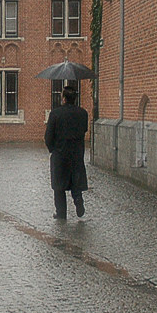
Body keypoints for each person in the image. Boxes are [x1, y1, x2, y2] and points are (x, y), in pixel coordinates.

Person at [44, 85, 89, 219]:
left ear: (63, 98)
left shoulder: (55, 114)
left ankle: (61, 212)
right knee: (75, 180)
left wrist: (53, 149)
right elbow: (84, 130)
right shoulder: (83, 113)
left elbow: (48, 137)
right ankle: (78, 201)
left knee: (59, 185)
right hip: (76, 153)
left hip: (60, 154)